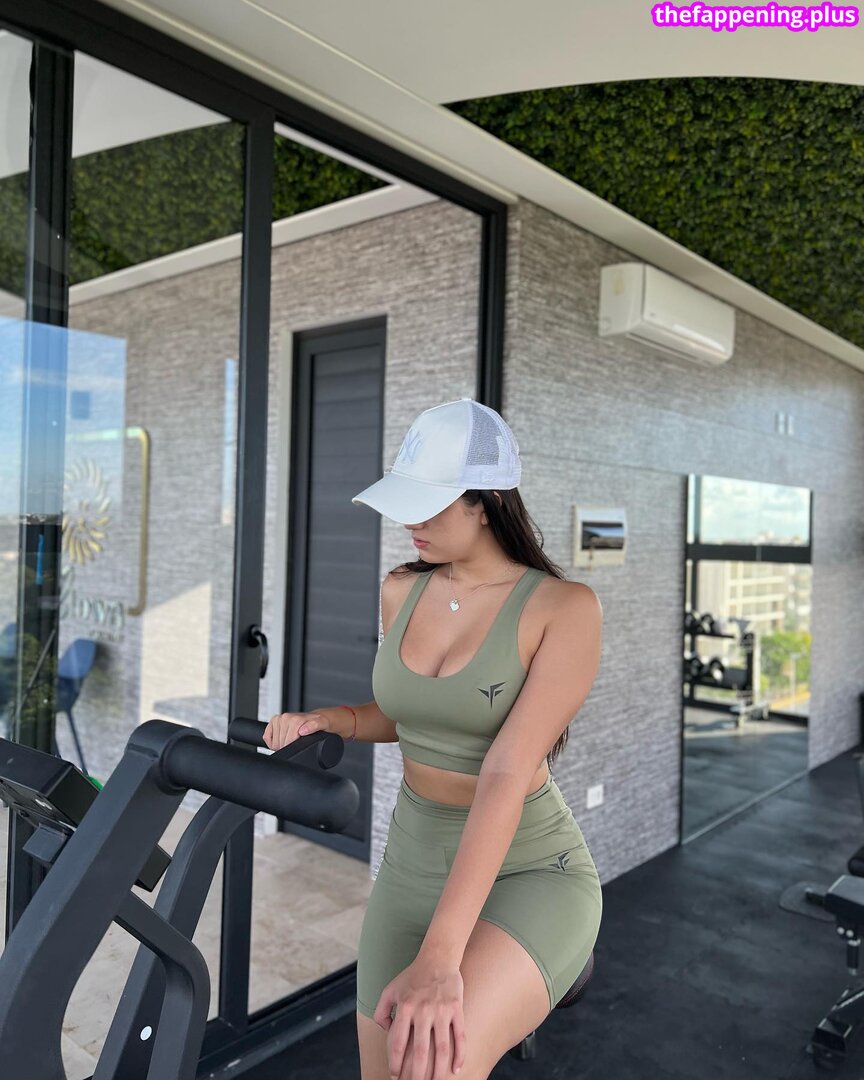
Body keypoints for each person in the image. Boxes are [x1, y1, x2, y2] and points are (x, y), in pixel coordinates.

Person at [264, 397, 603, 1080]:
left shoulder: (562, 608)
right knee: (382, 1070)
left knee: (430, 1067)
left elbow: (506, 769)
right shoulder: (401, 590)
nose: (410, 522)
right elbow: (415, 715)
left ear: (487, 503)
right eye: (406, 503)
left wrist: (442, 958)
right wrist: (338, 719)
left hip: (528, 868)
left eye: (430, 505)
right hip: (412, 860)